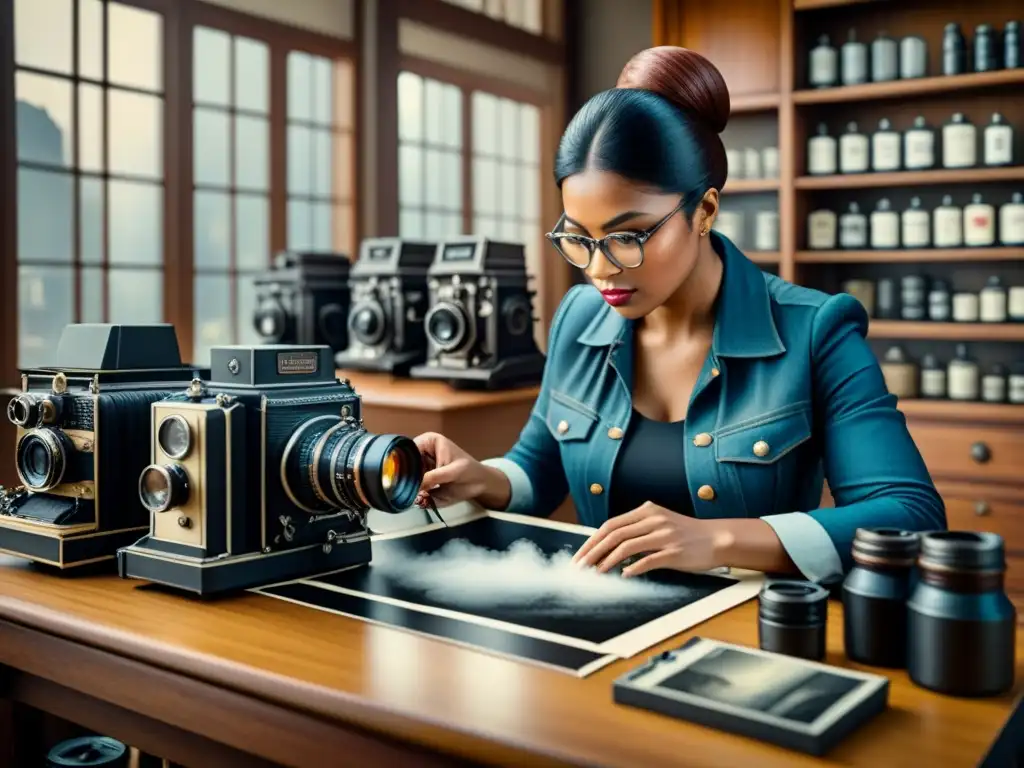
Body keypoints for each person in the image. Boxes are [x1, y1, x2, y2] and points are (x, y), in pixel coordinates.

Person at [412, 46, 945, 584]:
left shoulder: (815, 330)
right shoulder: (579, 315)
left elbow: (910, 516)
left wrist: (717, 539)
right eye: (579, 238)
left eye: (627, 236)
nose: (600, 269)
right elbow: (539, 468)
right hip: (606, 627)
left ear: (704, 211)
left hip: (747, 636)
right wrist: (482, 477)